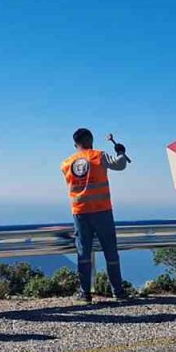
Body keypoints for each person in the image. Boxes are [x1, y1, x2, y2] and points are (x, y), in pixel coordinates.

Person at [61, 128, 129, 302]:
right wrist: (120, 152)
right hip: (102, 211)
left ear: (75, 144)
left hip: (80, 213)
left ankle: (85, 293)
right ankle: (118, 292)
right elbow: (120, 165)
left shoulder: (67, 163)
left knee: (83, 253)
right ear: (91, 140)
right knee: (110, 252)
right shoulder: (99, 156)